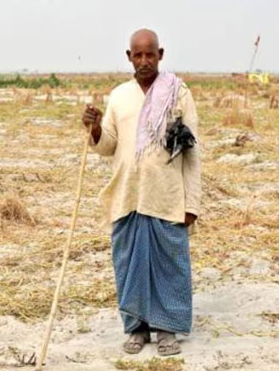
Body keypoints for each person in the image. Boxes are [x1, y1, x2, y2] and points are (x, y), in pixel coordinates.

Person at [81, 29, 201, 356]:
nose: (144, 60)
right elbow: (108, 146)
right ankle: (137, 328)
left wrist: (192, 203)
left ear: (160, 54)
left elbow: (191, 152)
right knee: (128, 265)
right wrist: (93, 128)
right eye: (138, 54)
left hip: (166, 196)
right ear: (129, 57)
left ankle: (166, 330)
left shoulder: (179, 93)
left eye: (150, 54)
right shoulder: (119, 96)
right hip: (127, 196)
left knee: (170, 266)